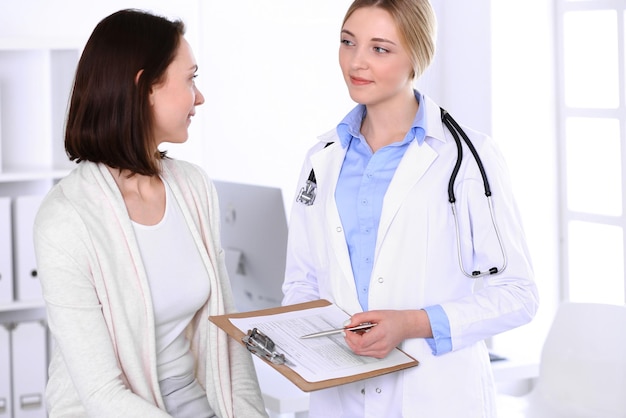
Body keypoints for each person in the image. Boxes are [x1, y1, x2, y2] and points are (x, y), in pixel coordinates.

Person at [281, 0, 539, 417]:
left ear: (417, 56)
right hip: (341, 396)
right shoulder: (321, 158)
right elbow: (302, 284)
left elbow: (518, 295)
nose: (356, 61)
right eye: (348, 42)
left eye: (379, 49)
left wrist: (411, 323)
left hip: (435, 394)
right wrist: (297, 341)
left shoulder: (469, 157)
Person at [33, 9, 268, 418]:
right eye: (190, 78)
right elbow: (102, 394)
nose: (200, 97)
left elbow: (229, 347)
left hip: (194, 400)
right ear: (145, 88)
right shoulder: (65, 218)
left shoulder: (193, 188)